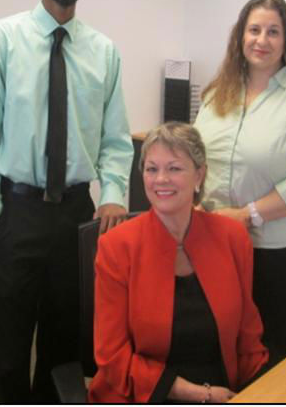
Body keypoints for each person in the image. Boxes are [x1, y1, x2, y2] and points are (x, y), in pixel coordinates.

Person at [0, 0, 134, 403]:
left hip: (77, 215)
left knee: (66, 344)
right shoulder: (1, 39)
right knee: (6, 346)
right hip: (15, 213)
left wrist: (116, 193)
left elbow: (117, 140)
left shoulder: (105, 52)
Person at [194, 0, 286, 364]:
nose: (262, 40)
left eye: (273, 31)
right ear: (240, 36)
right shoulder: (216, 93)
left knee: (283, 357)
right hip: (220, 244)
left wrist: (246, 216)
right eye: (254, 29)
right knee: (225, 346)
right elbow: (197, 158)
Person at [89, 122, 268, 403]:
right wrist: (200, 394)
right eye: (151, 169)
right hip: (142, 393)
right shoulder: (117, 247)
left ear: (200, 174)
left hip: (224, 391)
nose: (161, 179)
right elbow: (112, 356)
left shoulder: (232, 238)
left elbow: (248, 338)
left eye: (174, 168)